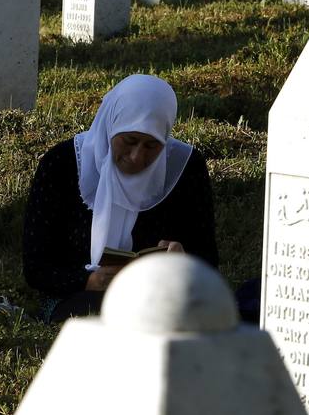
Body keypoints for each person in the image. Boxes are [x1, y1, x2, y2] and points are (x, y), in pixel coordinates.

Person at [22, 74, 218, 323]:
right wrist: (89, 281)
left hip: (159, 298)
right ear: (111, 126)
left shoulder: (186, 168)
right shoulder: (61, 165)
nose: (137, 157)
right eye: (130, 141)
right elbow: (36, 266)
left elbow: (208, 261)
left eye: (151, 146)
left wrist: (183, 262)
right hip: (77, 297)